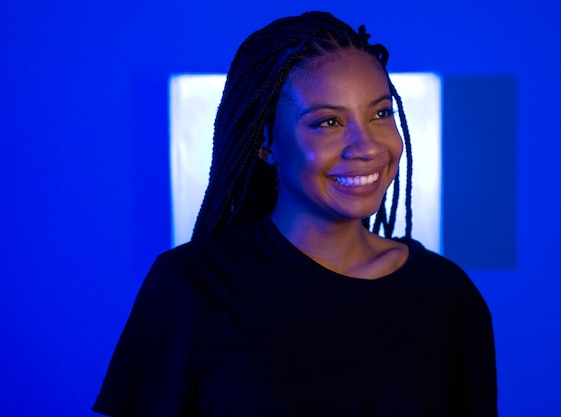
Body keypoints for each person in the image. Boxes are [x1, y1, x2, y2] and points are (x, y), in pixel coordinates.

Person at [93, 11, 497, 417]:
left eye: (380, 113)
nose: (367, 146)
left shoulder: (447, 296)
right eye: (329, 122)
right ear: (265, 142)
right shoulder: (192, 286)